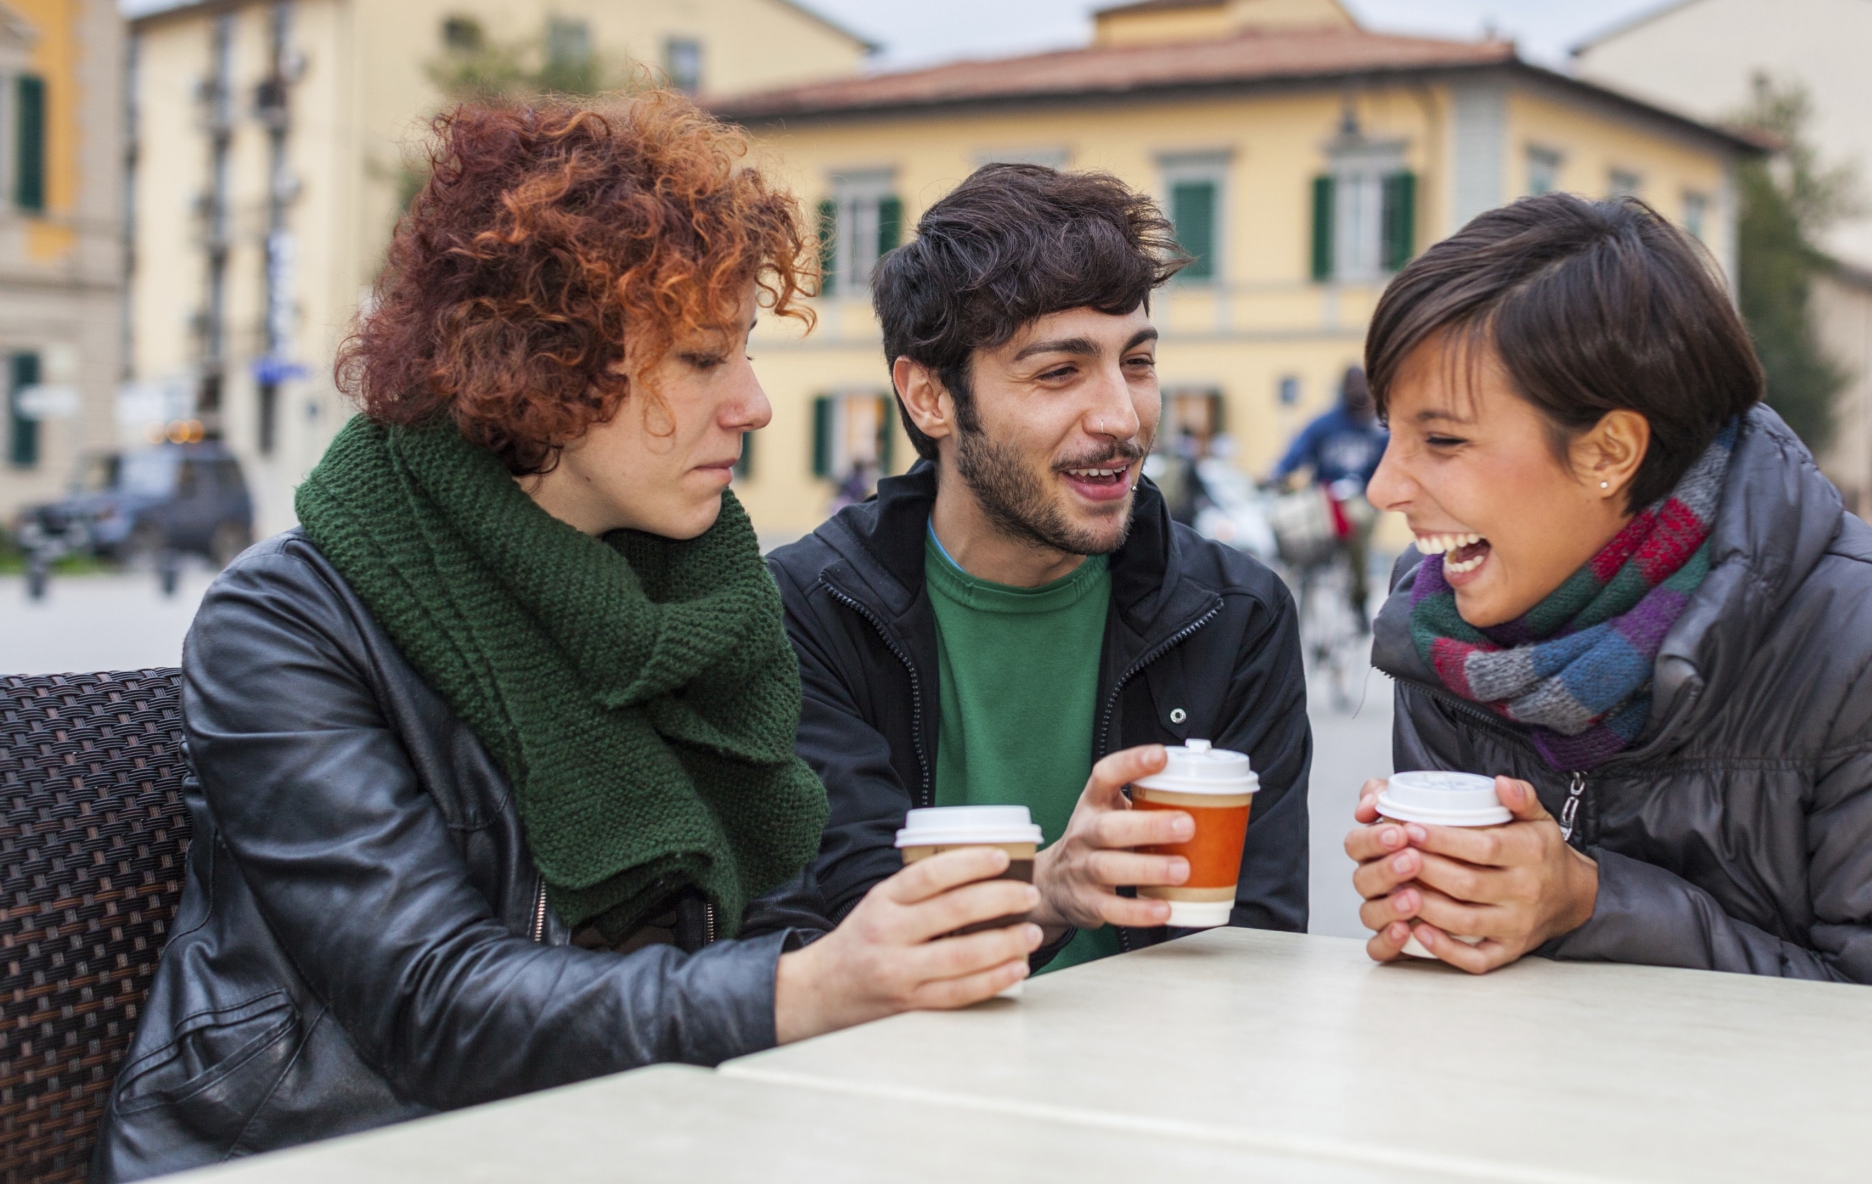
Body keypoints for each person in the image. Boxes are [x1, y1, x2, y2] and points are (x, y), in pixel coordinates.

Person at [93, 95, 1039, 1181]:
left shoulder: (698, 598)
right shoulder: (289, 623)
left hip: (623, 1136)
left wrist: (1012, 908)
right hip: (328, 1152)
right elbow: (433, 1003)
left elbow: (773, 908)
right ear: (541, 364)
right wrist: (808, 989)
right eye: (699, 359)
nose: (755, 404)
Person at [1344, 192, 1872, 992]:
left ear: (1609, 449)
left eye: (1442, 440)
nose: (1382, 487)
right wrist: (1436, 901)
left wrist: (1592, 903)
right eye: (1386, 431)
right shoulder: (1441, 623)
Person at [770, 164, 1311, 974]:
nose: (1121, 418)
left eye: (1136, 362)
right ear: (929, 396)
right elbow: (841, 925)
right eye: (1060, 372)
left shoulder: (1236, 614)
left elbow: (1258, 950)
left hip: (1153, 1079)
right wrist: (1045, 891)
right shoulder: (809, 610)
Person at [1272, 364, 1388, 615]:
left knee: (1356, 519)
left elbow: (1391, 462)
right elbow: (1297, 451)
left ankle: (1359, 593)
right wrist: (1277, 473)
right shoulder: (1325, 424)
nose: (1356, 392)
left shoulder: (1378, 429)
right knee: (1292, 520)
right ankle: (1294, 582)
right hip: (1325, 499)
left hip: (1362, 499)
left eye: (1361, 386)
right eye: (1351, 385)